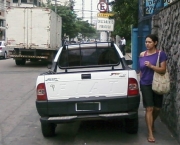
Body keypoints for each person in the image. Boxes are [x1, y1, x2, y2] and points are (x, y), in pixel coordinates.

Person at [139, 34, 168, 143]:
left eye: (150, 42)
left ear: (155, 43)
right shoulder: (142, 55)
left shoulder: (161, 54)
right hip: (145, 84)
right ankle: (150, 133)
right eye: (146, 42)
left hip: (157, 84)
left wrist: (151, 66)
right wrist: (140, 80)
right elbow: (141, 70)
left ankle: (151, 122)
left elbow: (163, 70)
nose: (147, 44)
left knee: (157, 108)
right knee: (149, 108)